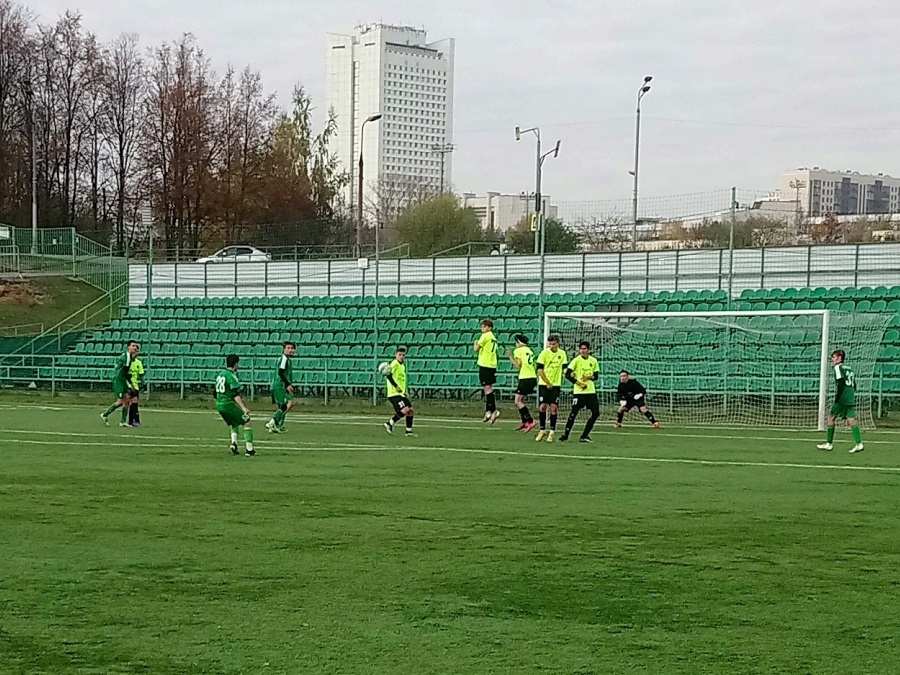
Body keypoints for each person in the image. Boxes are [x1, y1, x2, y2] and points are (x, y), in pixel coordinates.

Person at [818, 349, 864, 453]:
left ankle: (829, 444)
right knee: (851, 419)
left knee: (831, 417)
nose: (832, 360)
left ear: (839, 358)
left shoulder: (838, 367)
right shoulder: (849, 369)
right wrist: (850, 393)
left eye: (834, 357)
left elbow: (840, 382)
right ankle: (859, 444)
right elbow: (854, 384)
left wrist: (838, 397)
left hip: (843, 397)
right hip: (850, 396)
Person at [560, 341, 601, 443]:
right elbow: (568, 374)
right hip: (579, 392)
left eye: (585, 349)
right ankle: (565, 435)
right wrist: (577, 382)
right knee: (573, 413)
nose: (583, 351)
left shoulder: (593, 361)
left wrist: (588, 377)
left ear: (589, 350)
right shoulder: (576, 360)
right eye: (581, 349)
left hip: (591, 391)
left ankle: (585, 435)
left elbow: (596, 376)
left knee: (596, 413)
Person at [215, 354, 255, 456]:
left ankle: (234, 443)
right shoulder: (231, 376)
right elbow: (235, 394)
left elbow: (215, 392)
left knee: (234, 423)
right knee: (246, 421)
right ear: (235, 364)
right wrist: (243, 407)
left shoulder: (220, 374)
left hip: (219, 405)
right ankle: (249, 450)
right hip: (228, 404)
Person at [535, 334, 568, 442]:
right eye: (550, 344)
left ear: (557, 344)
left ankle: (552, 431)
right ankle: (542, 430)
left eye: (553, 344)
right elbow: (539, 370)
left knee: (553, 408)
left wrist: (568, 373)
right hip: (544, 384)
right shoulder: (544, 353)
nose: (551, 346)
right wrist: (547, 382)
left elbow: (564, 368)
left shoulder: (562, 353)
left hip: (556, 384)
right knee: (543, 407)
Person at [101, 340, 139, 427]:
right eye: (133, 346)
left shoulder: (129, 357)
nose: (135, 348)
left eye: (136, 346)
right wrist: (130, 384)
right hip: (119, 380)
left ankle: (121, 421)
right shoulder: (126, 356)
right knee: (122, 401)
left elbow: (126, 372)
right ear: (128, 347)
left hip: (122, 380)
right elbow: (125, 371)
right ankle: (105, 414)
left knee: (127, 400)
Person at [507, 334, 537, 432]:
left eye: (516, 342)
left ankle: (530, 421)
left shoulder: (518, 351)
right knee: (520, 400)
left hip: (525, 377)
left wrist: (510, 357)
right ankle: (525, 422)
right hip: (532, 376)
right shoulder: (529, 350)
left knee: (517, 401)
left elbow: (518, 365)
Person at [383, 347, 415, 436]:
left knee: (410, 410)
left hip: (400, 393)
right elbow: (388, 376)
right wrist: (396, 386)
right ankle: (390, 423)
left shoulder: (402, 366)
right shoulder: (394, 364)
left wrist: (404, 391)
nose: (401, 357)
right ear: (396, 355)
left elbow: (402, 380)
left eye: (403, 355)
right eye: (399, 355)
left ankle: (408, 431)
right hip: (394, 393)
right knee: (405, 409)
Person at [266, 342, 296, 433]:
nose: (291, 350)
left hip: (281, 384)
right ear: (284, 349)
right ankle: (273, 422)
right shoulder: (284, 359)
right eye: (288, 348)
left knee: (285, 405)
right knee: (284, 405)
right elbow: (281, 372)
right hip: (280, 385)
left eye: (292, 348)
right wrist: (287, 384)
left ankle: (278, 425)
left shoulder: (286, 359)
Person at [475, 319, 500, 424]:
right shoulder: (494, 338)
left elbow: (476, 349)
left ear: (489, 328)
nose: (483, 328)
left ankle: (492, 411)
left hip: (485, 364)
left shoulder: (485, 336)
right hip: (492, 365)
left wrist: (475, 343)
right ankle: (490, 411)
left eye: (485, 326)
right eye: (482, 326)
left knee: (487, 388)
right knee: (488, 388)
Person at [127, 355, 145, 427]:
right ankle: (134, 421)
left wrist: (143, 384)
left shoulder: (138, 362)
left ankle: (132, 421)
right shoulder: (127, 363)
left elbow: (141, 374)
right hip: (128, 386)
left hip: (135, 387)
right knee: (129, 403)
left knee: (134, 404)